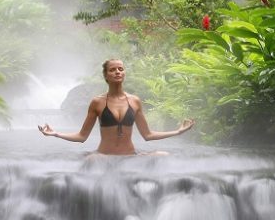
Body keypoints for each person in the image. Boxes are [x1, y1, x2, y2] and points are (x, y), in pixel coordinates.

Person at [38, 59, 195, 155]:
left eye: (121, 69)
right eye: (113, 69)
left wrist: (178, 131)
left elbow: (147, 135)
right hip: (103, 156)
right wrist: (56, 134)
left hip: (130, 155)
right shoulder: (97, 102)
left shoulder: (134, 101)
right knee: (92, 161)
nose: (118, 72)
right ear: (106, 75)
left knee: (163, 155)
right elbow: (82, 137)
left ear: (124, 73)